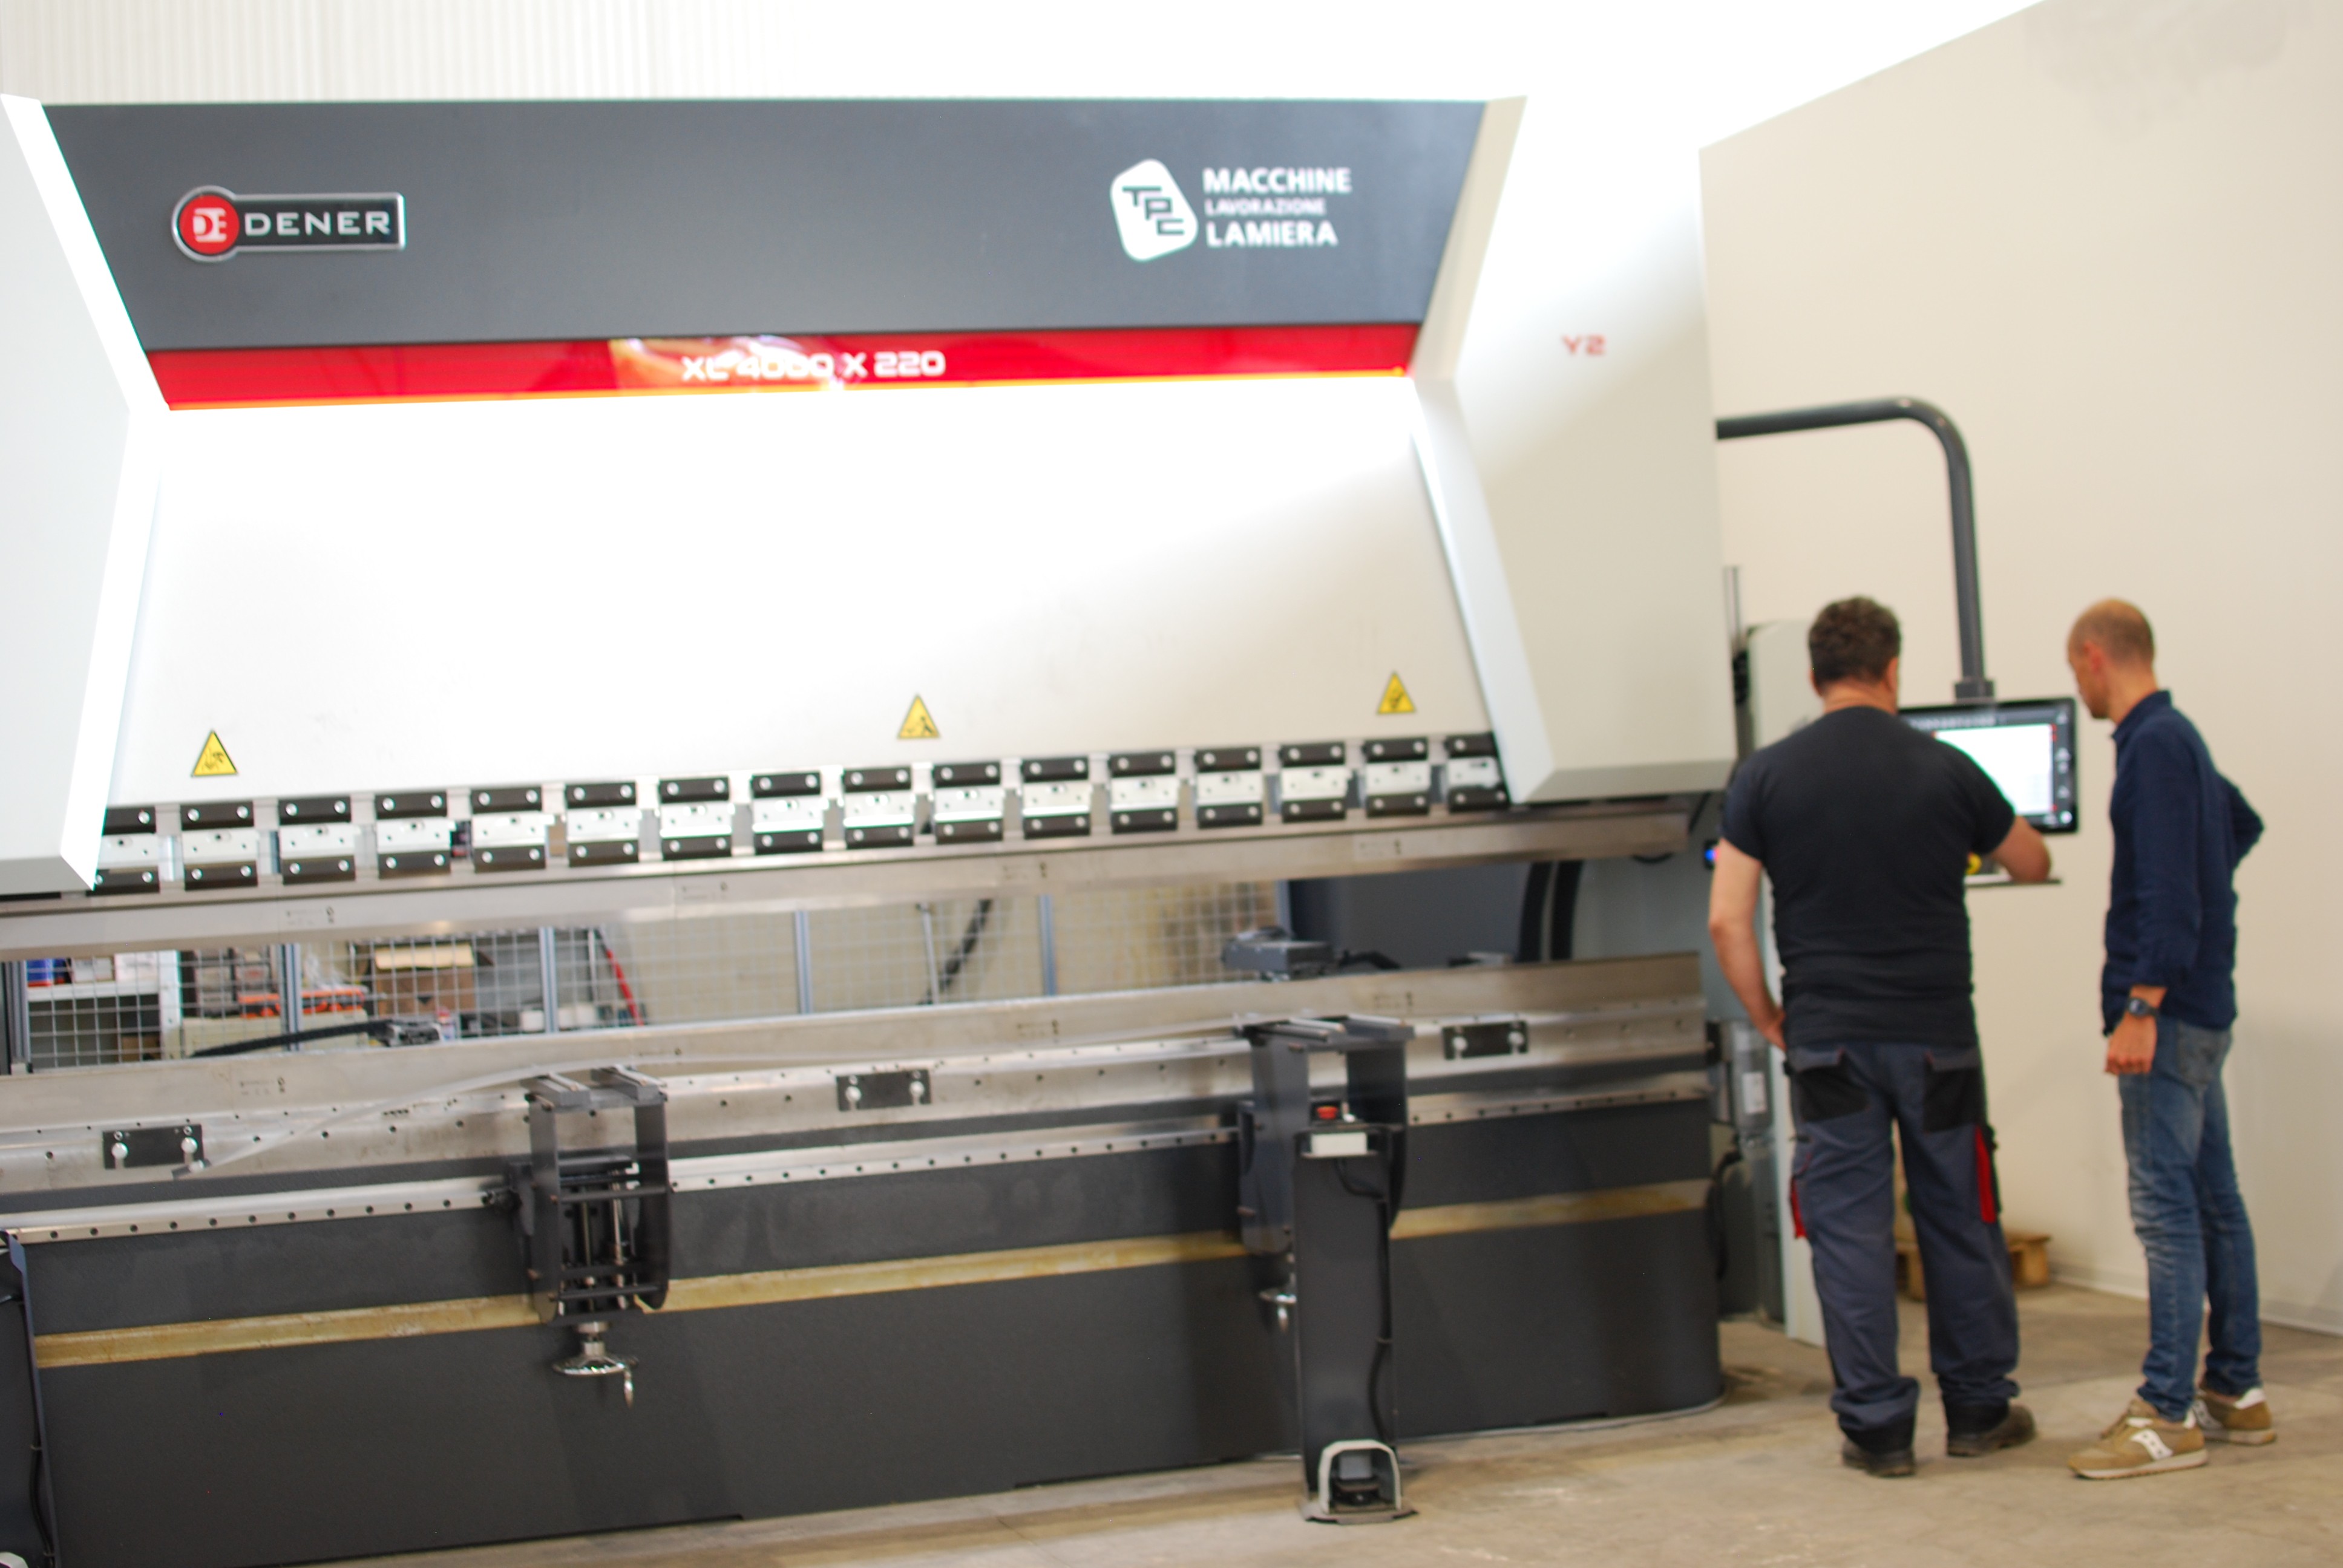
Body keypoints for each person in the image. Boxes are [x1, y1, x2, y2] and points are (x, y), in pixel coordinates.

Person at [1709, 596, 2053, 1477]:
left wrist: (1769, 1018)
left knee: (1850, 1231)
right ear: (1893, 669)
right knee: (1961, 1219)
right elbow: (2032, 860)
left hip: (1830, 1046)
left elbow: (1728, 921)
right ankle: (1978, 1411)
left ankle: (1878, 1431)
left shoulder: (1766, 777)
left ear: (1814, 676)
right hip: (1939, 1038)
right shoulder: (1947, 768)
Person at [2061, 599, 2271, 1480]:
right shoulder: (2181, 739)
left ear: (2094, 656)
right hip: (2203, 1009)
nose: (2080, 688)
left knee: (2166, 1212)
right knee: (2214, 1198)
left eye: (2077, 671)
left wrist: (2142, 1002)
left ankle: (2166, 1413)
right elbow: (2240, 828)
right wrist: (2198, 936)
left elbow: (2164, 888)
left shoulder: (2150, 748)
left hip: (2168, 1015)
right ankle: (2237, 1390)